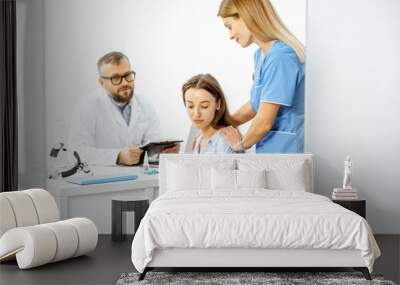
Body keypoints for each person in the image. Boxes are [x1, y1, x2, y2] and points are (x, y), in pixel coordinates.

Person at [217, 0, 305, 153]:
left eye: (229, 27)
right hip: (270, 151)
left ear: (246, 16)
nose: (230, 35)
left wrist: (240, 145)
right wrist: (222, 123)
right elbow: (256, 104)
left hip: (287, 154)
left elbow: (264, 122)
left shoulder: (280, 56)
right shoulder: (261, 55)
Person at [69, 51, 179, 166]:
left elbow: (154, 144)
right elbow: (75, 153)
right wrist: (118, 156)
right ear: (101, 83)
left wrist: (165, 152)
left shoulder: (145, 104)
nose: (125, 83)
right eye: (116, 78)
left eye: (128, 75)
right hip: (101, 180)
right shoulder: (87, 106)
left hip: (140, 180)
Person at [182, 74, 240, 154]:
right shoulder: (198, 140)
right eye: (190, 106)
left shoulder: (224, 141)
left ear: (218, 104)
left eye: (204, 106)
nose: (196, 114)